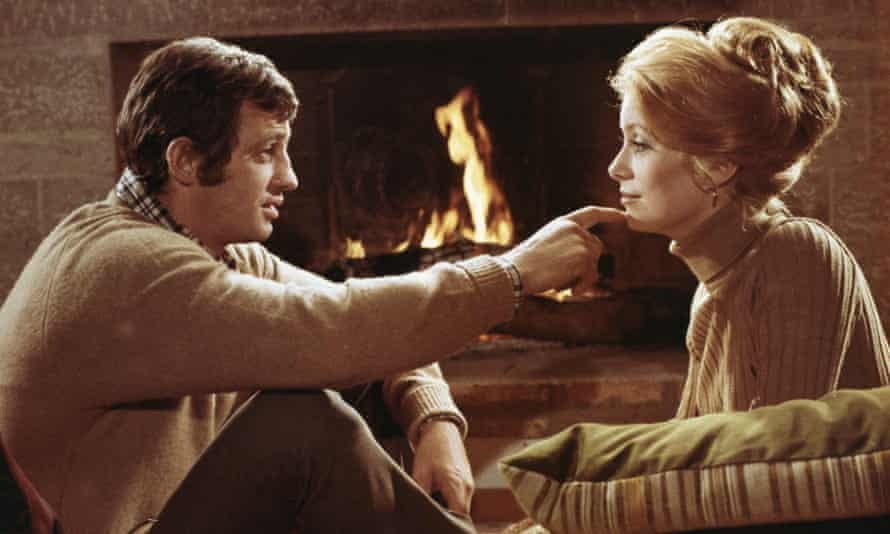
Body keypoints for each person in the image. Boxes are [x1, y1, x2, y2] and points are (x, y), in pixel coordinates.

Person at [0, 37, 625, 534]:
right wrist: (512, 274)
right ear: (186, 162)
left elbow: (366, 322)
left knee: (330, 403)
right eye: (266, 152)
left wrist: (434, 421)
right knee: (300, 425)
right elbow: (337, 330)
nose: (290, 178)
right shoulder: (123, 266)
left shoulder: (219, 254)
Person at [606, 16, 890, 417]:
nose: (615, 168)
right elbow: (699, 445)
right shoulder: (719, 281)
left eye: (640, 144)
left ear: (718, 165)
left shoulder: (795, 255)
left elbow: (780, 447)